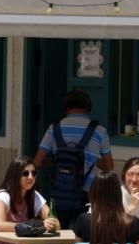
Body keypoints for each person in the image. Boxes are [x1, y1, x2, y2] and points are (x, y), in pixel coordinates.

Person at [33, 90, 113, 231]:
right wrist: (91, 160)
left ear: (67, 107)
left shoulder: (54, 128)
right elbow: (109, 166)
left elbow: (37, 162)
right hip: (89, 192)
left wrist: (56, 161)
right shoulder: (100, 131)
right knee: (87, 236)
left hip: (61, 191)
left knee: (55, 234)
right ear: (88, 108)